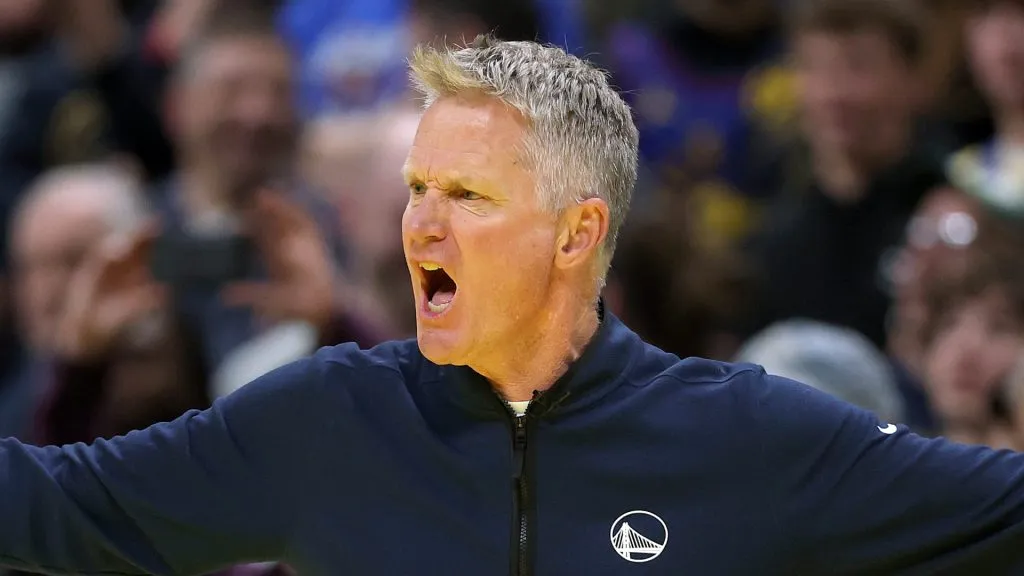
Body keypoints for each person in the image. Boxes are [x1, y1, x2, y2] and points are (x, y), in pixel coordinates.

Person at [6, 35, 1024, 576]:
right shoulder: (321, 422)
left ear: (578, 235)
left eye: (468, 197)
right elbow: (51, 510)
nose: (420, 229)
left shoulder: (750, 436)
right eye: (416, 190)